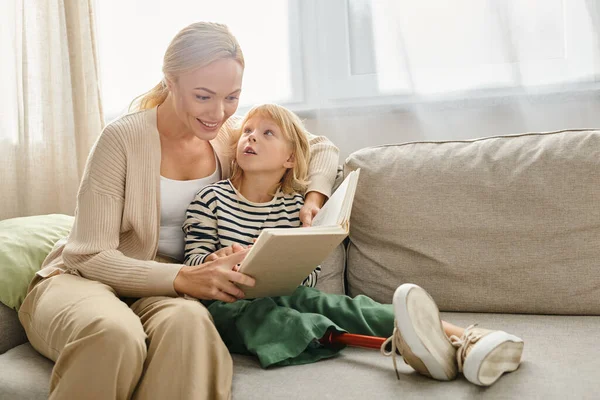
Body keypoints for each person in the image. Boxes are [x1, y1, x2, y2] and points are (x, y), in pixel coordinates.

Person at [17, 22, 339, 400]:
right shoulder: (121, 139)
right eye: (203, 96)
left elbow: (319, 146)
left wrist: (315, 196)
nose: (218, 112)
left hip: (166, 295)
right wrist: (184, 277)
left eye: (232, 97)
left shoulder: (225, 138)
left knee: (190, 326)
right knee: (114, 334)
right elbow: (89, 255)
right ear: (171, 81)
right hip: (82, 281)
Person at [182, 103, 525, 386]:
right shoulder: (211, 198)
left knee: (340, 305)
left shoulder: (293, 207)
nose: (251, 137)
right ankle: (408, 348)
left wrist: (289, 271)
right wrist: (216, 258)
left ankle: (466, 338)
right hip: (226, 304)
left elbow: (309, 273)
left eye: (266, 133)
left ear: (290, 159)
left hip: (283, 291)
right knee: (270, 316)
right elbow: (192, 262)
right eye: (247, 131)